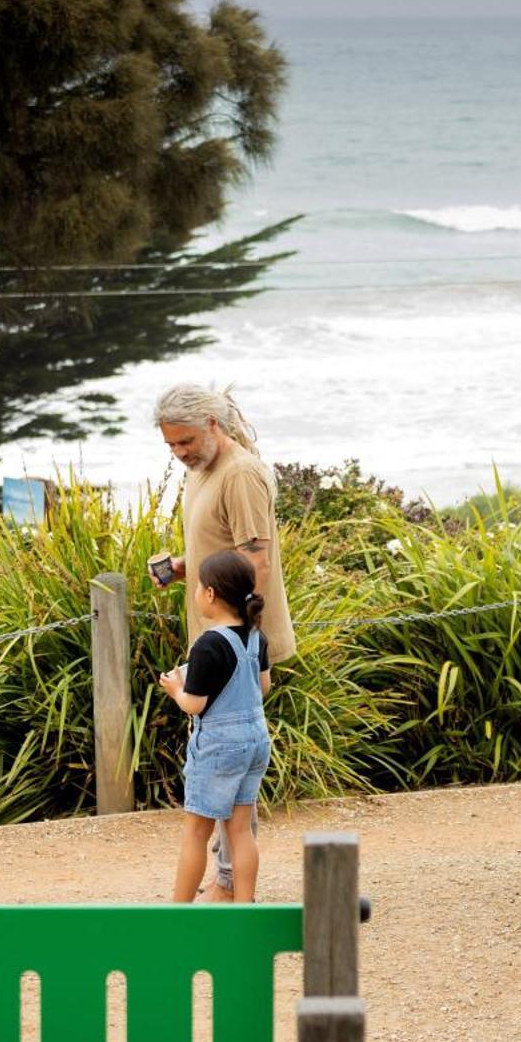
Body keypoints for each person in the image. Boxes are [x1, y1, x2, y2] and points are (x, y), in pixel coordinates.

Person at [151, 385, 296, 900]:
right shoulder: (203, 471)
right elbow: (226, 549)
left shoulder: (240, 474)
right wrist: (184, 567)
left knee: (225, 773)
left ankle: (229, 885)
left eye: (186, 441)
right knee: (230, 781)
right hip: (219, 634)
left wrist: (241, 643)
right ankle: (229, 882)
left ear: (214, 423)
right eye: (171, 446)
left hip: (237, 637)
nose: (180, 453)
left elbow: (254, 562)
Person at [160, 549, 273, 904]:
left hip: (220, 746)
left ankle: (178, 915)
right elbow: (263, 685)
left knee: (196, 831)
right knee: (240, 830)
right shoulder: (257, 636)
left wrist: (175, 688)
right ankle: (243, 910)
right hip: (255, 740)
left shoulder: (208, 644)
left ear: (210, 594)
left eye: (198, 586)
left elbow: (195, 704)